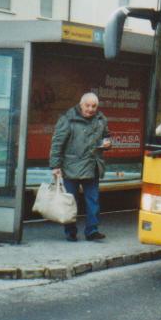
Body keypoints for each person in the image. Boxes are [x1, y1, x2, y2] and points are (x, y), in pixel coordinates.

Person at [49, 92, 111, 242]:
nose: (90, 109)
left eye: (94, 106)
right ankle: (70, 232)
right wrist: (55, 166)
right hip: (71, 168)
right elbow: (57, 144)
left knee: (93, 200)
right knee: (70, 201)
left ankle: (92, 231)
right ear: (80, 104)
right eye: (87, 105)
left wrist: (108, 143)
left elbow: (106, 135)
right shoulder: (68, 119)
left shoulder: (101, 119)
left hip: (92, 166)